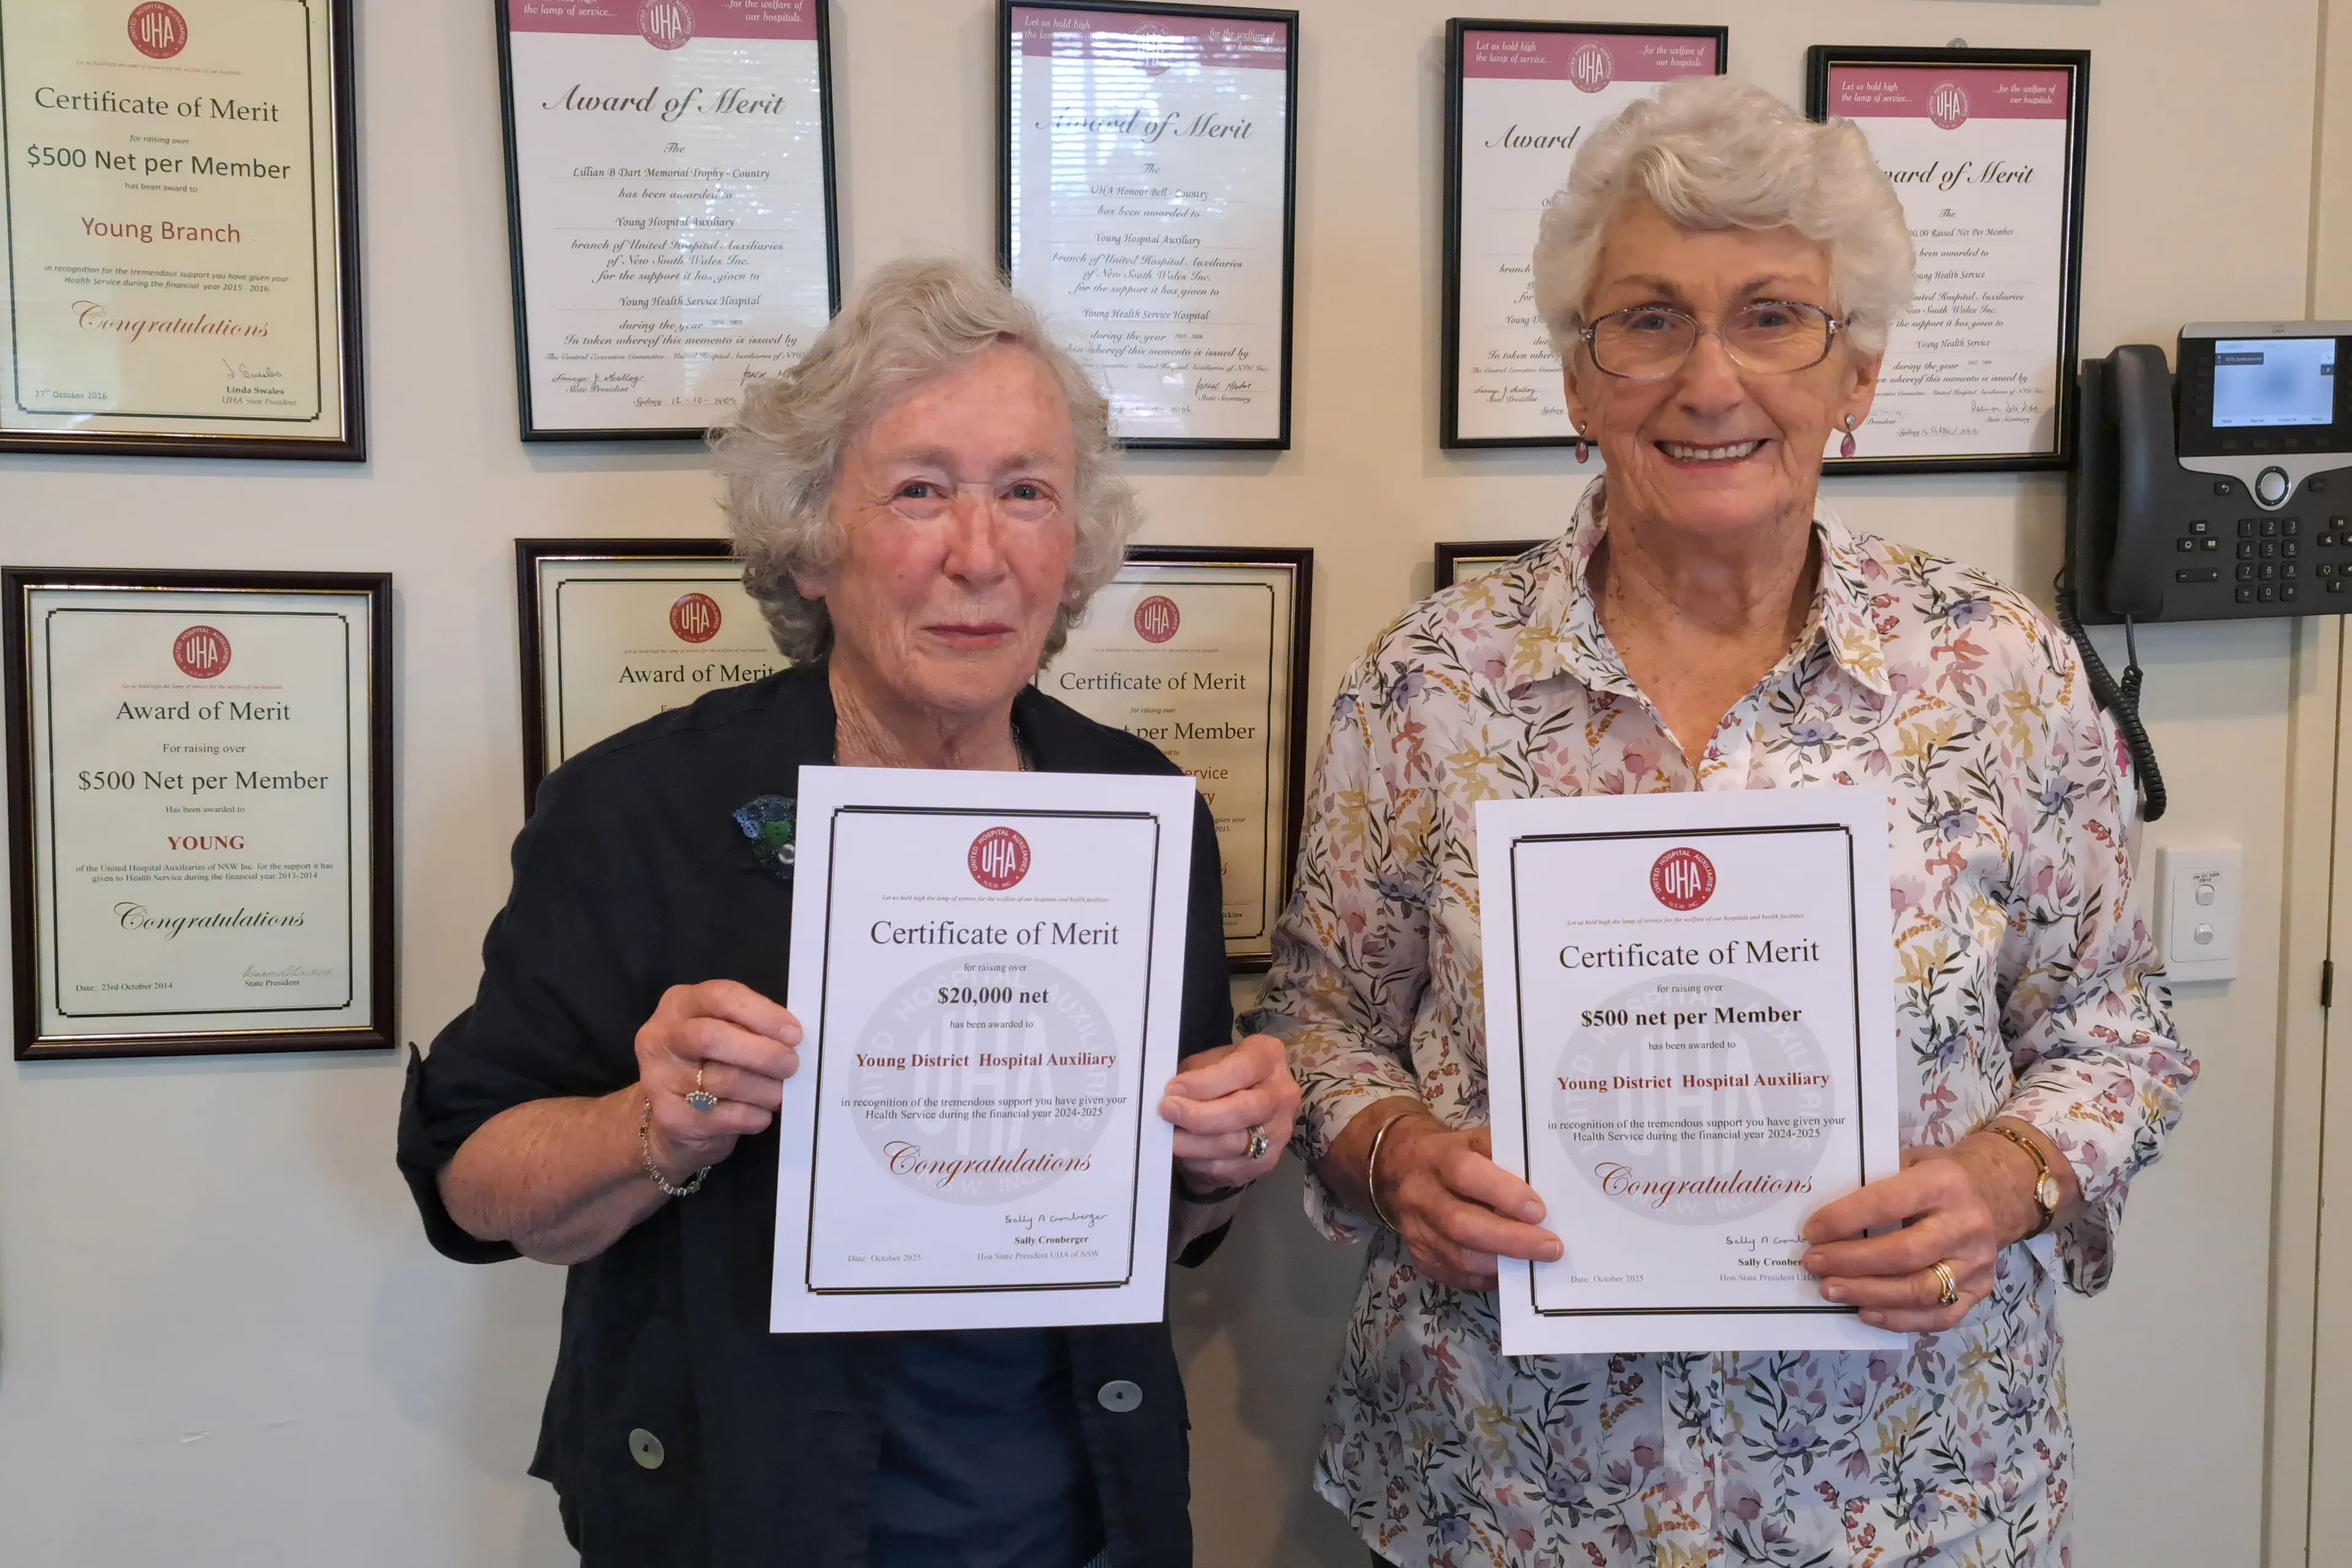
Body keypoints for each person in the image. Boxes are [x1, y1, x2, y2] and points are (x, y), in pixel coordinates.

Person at [1251, 78, 2195, 1566]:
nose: (1709, 379)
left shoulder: (2000, 667)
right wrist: (1386, 1147)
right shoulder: (1434, 676)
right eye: (1647, 319)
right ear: (1577, 378)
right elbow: (1318, 1011)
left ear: (1857, 373)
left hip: (1905, 1488)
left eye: (1771, 317)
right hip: (1504, 1485)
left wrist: (2006, 1179)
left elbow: (2116, 1027)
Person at [397, 256, 1300, 1568]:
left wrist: (1215, 1158)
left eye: (1026, 494)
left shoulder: (1133, 802)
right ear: (814, 540)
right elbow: (471, 1182)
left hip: (1074, 1510)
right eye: (921, 490)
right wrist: (648, 1123)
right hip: (741, 1511)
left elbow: (1156, 1219)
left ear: (1076, 545)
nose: (979, 554)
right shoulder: (641, 805)